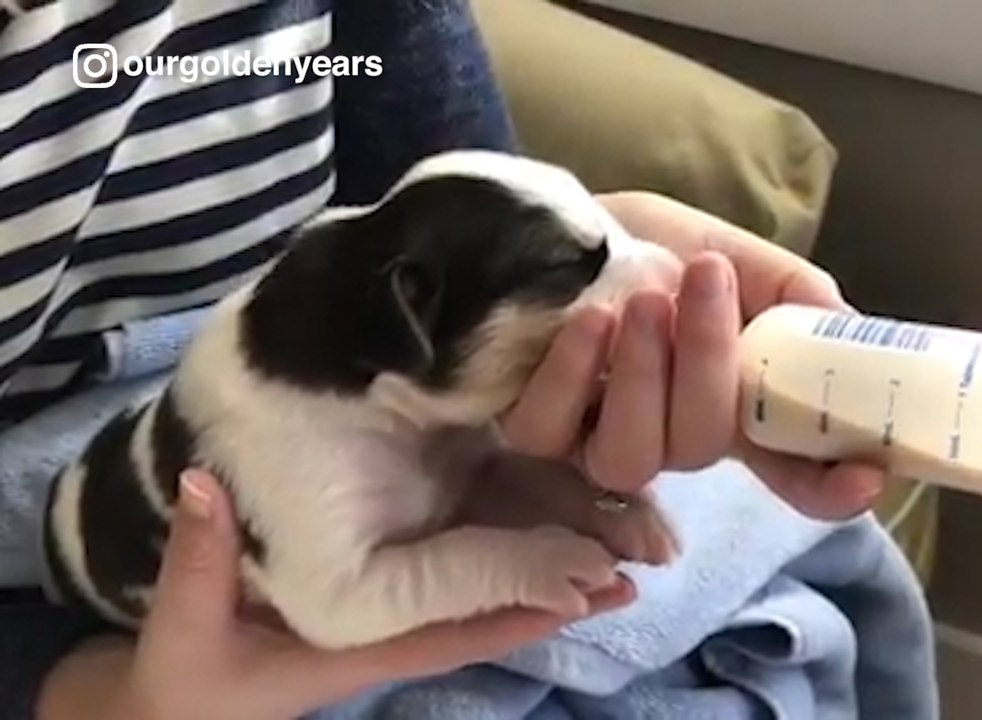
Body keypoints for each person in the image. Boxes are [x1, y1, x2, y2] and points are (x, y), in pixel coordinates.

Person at [0, 1, 887, 719]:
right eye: (583, 264)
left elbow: (459, 205)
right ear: (405, 323)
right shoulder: (288, 441)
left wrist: (606, 266)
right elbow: (336, 601)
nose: (646, 273)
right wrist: (87, 695)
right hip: (119, 628)